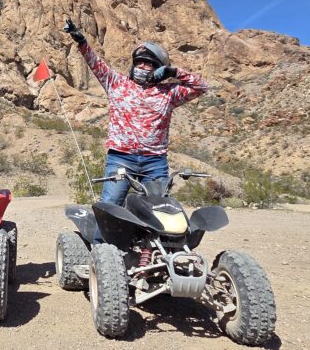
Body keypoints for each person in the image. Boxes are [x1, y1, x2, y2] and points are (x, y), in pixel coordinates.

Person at [63, 20, 209, 243]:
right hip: (121, 159)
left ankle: (153, 259)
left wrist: (174, 71)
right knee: (109, 208)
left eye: (148, 64)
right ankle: (100, 258)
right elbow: (95, 63)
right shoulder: (116, 83)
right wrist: (81, 40)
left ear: (158, 69)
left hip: (155, 162)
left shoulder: (169, 93)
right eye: (139, 63)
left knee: (160, 213)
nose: (141, 67)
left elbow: (202, 87)